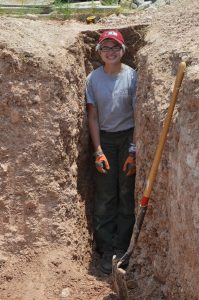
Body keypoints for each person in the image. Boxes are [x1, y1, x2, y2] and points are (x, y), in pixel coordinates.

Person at [85, 30, 137, 274]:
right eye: (106, 47)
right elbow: (93, 116)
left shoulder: (132, 77)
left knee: (126, 193)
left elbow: (139, 115)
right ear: (99, 52)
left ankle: (123, 248)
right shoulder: (93, 79)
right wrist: (98, 151)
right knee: (106, 196)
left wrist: (134, 150)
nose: (111, 52)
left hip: (127, 138)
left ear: (123, 50)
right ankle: (106, 250)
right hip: (104, 139)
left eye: (115, 47)